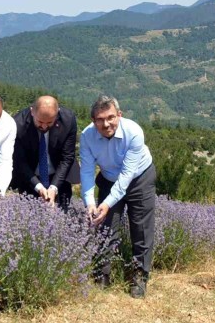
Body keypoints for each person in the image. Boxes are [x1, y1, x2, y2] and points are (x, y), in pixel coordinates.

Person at [80, 95, 156, 298]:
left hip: (139, 177)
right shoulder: (87, 136)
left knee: (140, 227)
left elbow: (126, 176)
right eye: (99, 119)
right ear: (93, 120)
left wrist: (106, 203)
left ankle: (139, 277)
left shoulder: (134, 132)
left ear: (119, 115)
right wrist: (90, 202)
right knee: (105, 227)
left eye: (111, 117)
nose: (106, 124)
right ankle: (102, 277)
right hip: (108, 177)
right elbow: (86, 171)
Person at [11, 95, 77, 210]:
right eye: (40, 122)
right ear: (32, 112)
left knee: (62, 217)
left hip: (59, 177)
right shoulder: (18, 124)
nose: (44, 126)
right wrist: (38, 187)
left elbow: (67, 157)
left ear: (57, 113)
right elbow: (20, 162)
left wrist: (54, 187)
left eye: (50, 122)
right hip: (30, 177)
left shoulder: (68, 120)